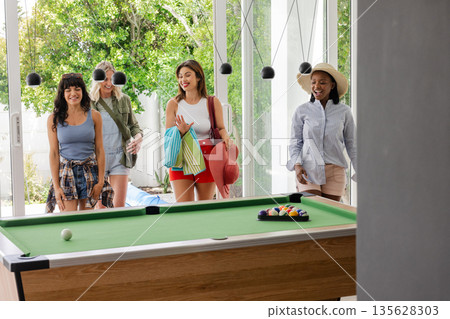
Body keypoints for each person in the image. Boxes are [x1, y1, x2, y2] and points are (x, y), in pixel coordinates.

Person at [287, 63, 356, 202]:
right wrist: (297, 165)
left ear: (332, 85)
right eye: (313, 82)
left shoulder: (344, 111)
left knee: (330, 216)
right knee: (313, 211)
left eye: (322, 82)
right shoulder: (302, 111)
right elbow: (295, 142)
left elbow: (352, 144)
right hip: (308, 170)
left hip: (335, 171)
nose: (316, 86)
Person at [165, 59, 232, 202]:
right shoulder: (173, 104)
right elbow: (168, 135)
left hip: (208, 157)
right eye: (180, 76)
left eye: (187, 75)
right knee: (184, 208)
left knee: (204, 205)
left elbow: (221, 128)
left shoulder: (212, 102)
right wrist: (181, 132)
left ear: (199, 77)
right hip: (181, 158)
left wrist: (226, 136)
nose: (183, 79)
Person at [46, 73, 113, 212]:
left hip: (89, 172)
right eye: (68, 90)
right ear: (62, 94)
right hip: (66, 174)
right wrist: (56, 187)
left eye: (77, 89)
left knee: (87, 221)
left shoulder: (95, 116)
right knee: (68, 219)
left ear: (82, 91)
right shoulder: (54, 119)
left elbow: (100, 150)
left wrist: (100, 181)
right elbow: (53, 153)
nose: (73, 93)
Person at [90, 61, 143, 208]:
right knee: (101, 209)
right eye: (105, 79)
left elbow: (134, 127)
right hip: (97, 158)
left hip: (120, 156)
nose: (109, 83)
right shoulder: (88, 102)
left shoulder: (123, 99)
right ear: (97, 80)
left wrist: (138, 140)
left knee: (118, 207)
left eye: (112, 79)